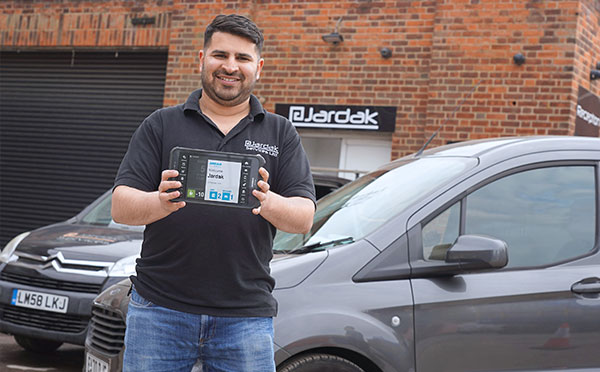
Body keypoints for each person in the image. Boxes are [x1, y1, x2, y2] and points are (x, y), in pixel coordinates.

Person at [111, 14, 316, 372]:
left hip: (245, 317)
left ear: (259, 67)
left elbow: (303, 218)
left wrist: (267, 202)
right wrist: (159, 202)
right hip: (160, 310)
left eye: (243, 58)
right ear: (201, 59)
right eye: (220, 55)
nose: (230, 67)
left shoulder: (281, 133)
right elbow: (120, 206)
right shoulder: (161, 124)